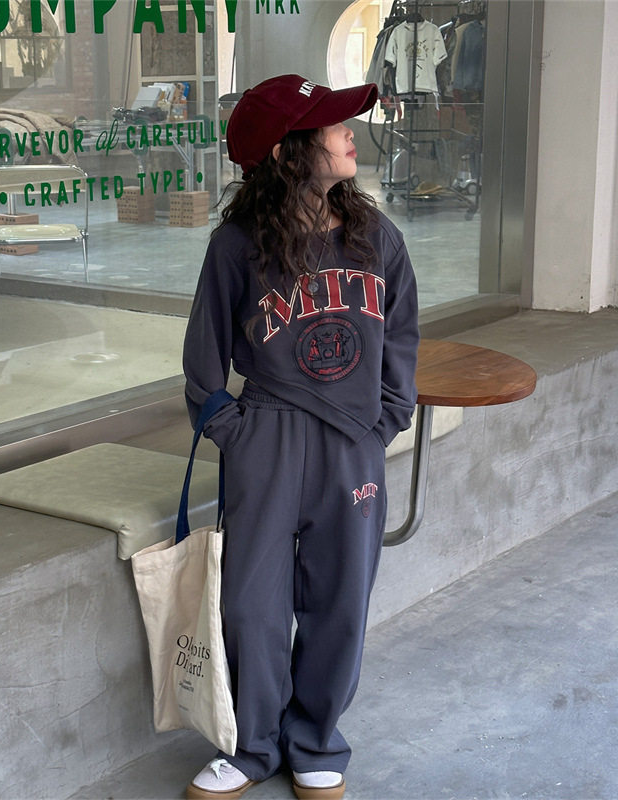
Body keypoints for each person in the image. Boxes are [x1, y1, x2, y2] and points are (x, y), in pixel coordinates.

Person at [182, 74, 419, 800]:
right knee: (251, 603)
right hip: (270, 438)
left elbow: (402, 336)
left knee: (340, 599)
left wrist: (386, 418)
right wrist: (233, 431)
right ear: (288, 152)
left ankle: (315, 739)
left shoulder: (376, 238)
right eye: (333, 124)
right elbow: (203, 356)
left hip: (352, 440)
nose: (350, 132)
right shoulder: (237, 246)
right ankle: (252, 745)